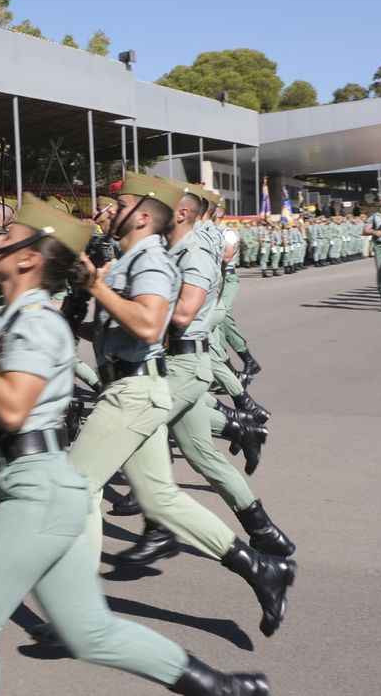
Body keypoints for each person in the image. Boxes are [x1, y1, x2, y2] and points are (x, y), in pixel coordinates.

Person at [0, 195, 269, 696]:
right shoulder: (13, 319)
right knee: (89, 632)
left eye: (3, 238)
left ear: (28, 258)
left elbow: (11, 409)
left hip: (35, 491)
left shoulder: (38, 321)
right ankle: (221, 688)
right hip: (47, 487)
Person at [66, 174, 295, 639]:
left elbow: (152, 326)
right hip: (140, 381)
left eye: (119, 203)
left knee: (77, 487)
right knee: (161, 498)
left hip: (137, 388)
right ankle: (260, 567)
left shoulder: (151, 259)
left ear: (145, 216)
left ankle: (79, 612)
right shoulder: (136, 258)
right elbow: (125, 329)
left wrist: (97, 289)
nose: (109, 209)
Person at [110, 180, 293, 568]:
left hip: (183, 364)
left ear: (180, 213)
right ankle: (264, 531)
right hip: (170, 360)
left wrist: (132, 303)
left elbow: (180, 315)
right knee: (202, 455)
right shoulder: (168, 252)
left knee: (132, 430)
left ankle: (159, 528)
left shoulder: (193, 254)